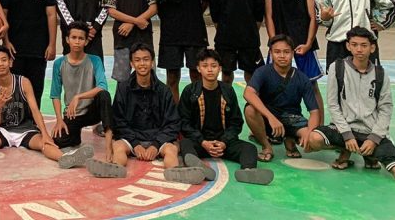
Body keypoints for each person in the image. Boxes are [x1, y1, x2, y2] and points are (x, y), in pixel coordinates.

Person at [0, 44, 93, 170]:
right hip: (4, 131)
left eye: (4, 60)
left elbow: (35, 110)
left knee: (44, 143)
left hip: (26, 129)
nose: (1, 64)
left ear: (10, 62)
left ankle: (65, 158)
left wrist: (45, 134)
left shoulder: (23, 83)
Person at [306, 27, 395, 180]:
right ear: (348, 46)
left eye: (364, 45)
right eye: (354, 45)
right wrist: (347, 135)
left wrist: (374, 139)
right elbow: (333, 105)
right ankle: (347, 150)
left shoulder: (380, 74)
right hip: (344, 129)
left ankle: (369, 154)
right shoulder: (338, 68)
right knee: (314, 139)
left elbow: (386, 109)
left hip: (370, 131)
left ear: (372, 48)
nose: (359, 49)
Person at [177, 48, 274, 185]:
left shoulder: (228, 91)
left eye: (214, 66)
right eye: (205, 66)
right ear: (198, 69)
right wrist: (203, 142)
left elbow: (236, 122)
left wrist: (223, 142)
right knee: (185, 144)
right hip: (200, 142)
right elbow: (184, 123)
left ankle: (247, 171)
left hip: (223, 143)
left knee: (249, 148)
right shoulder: (190, 91)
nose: (210, 70)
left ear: (220, 68)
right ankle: (197, 167)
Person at [264, 0, 324, 113]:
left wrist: (308, 43)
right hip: (279, 44)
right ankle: (275, 122)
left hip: (302, 44)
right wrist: (274, 43)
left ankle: (319, 125)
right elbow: (268, 16)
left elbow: (313, 17)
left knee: (311, 85)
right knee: (273, 85)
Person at [243, 34, 321, 162]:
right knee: (250, 110)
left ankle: (290, 138)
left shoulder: (302, 78)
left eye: (286, 52)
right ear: (271, 53)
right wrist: (271, 117)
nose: (282, 56)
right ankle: (266, 146)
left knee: (314, 139)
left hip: (292, 119)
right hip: (268, 119)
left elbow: (314, 112)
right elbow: (248, 93)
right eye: (277, 52)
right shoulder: (262, 72)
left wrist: (309, 132)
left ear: (293, 53)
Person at [154, 0, 209, 105]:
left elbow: (205, 1)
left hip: (195, 31)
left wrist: (192, 14)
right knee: (172, 77)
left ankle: (196, 112)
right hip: (170, 33)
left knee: (196, 74)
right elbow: (157, 1)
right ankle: (174, 114)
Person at [0, 0, 57, 106]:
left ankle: (34, 119)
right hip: (14, 49)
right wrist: (6, 42)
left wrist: (52, 44)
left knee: (36, 90)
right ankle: (15, 120)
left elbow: (51, 15)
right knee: (15, 90)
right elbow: (3, 16)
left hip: (39, 48)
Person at [50, 22, 114, 168]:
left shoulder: (95, 60)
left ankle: (109, 145)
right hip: (73, 114)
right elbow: (55, 94)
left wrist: (78, 97)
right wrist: (59, 119)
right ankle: (75, 140)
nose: (77, 41)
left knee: (104, 96)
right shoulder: (59, 63)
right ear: (67, 39)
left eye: (81, 38)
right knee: (58, 140)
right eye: (74, 37)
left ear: (86, 41)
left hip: (92, 111)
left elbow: (102, 86)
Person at [110, 43, 180, 177]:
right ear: (131, 63)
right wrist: (135, 144)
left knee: (171, 149)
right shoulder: (123, 89)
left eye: (146, 59)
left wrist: (156, 144)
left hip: (158, 138)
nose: (142, 64)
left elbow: (173, 123)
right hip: (132, 138)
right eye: (137, 60)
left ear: (152, 62)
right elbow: (118, 121)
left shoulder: (164, 90)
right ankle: (115, 169)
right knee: (118, 147)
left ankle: (175, 173)